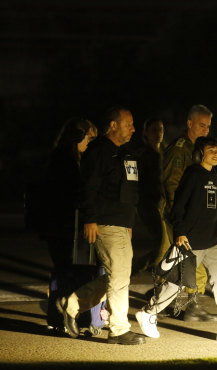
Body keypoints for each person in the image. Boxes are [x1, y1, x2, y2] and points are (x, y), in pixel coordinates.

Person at [135, 136, 217, 342]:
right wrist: (180, 232)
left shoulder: (213, 175)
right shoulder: (192, 175)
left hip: (213, 241)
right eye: (211, 151)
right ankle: (148, 312)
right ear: (199, 154)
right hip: (191, 241)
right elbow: (178, 207)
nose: (216, 154)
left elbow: (211, 209)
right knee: (177, 284)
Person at [56, 107, 146, 345]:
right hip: (105, 221)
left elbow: (129, 192)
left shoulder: (126, 153)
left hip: (121, 223)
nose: (133, 128)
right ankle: (118, 329)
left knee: (117, 277)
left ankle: (72, 304)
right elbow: (89, 187)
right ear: (113, 125)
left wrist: (129, 222)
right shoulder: (99, 152)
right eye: (129, 124)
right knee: (119, 277)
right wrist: (90, 218)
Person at [159, 104, 216, 321]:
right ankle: (187, 305)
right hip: (180, 217)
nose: (205, 130)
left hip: (192, 217)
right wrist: (182, 219)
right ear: (189, 124)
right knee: (190, 260)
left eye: (208, 126)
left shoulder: (197, 149)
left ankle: (172, 303)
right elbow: (172, 185)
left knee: (187, 261)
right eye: (201, 125)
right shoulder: (180, 149)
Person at [43, 118, 97, 272]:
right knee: (65, 264)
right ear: (78, 137)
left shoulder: (69, 158)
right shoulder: (65, 160)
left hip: (61, 222)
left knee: (66, 265)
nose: (91, 143)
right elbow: (72, 191)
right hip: (62, 222)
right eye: (90, 138)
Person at [132, 118, 168, 274]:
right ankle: (141, 266)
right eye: (154, 130)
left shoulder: (166, 152)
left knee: (167, 242)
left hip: (165, 202)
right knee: (161, 240)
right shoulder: (142, 155)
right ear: (145, 133)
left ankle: (146, 266)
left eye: (160, 129)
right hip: (148, 203)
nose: (158, 133)